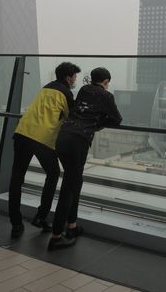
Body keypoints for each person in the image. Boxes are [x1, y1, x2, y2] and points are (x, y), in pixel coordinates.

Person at [48, 67, 122, 250]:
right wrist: (99, 123)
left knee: (75, 182)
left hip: (63, 137)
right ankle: (56, 236)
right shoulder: (107, 96)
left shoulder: (83, 90)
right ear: (106, 82)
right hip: (78, 141)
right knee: (68, 187)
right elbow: (117, 119)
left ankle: (72, 226)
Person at [8, 61, 80, 238]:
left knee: (17, 178)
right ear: (68, 78)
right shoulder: (66, 93)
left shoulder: (45, 89)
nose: (75, 80)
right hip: (41, 138)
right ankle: (41, 216)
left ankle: (16, 223)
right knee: (54, 173)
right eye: (74, 77)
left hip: (22, 133)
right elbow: (73, 117)